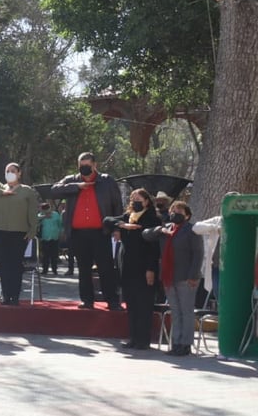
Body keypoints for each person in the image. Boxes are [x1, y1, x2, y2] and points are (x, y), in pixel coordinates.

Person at [49, 152, 123, 310]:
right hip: (78, 233)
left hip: (101, 232)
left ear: (95, 165)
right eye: (81, 166)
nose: (84, 169)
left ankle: (112, 301)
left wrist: (117, 228)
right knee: (83, 268)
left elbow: (117, 205)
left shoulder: (107, 181)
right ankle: (87, 300)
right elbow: (54, 190)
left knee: (106, 267)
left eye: (87, 166)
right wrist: (76, 187)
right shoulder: (72, 180)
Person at [144, 201, 205, 355]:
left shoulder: (191, 230)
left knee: (186, 311)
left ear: (187, 215)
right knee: (175, 311)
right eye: (172, 209)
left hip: (186, 277)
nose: (174, 212)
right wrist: (159, 229)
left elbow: (198, 255)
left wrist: (193, 275)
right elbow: (146, 234)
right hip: (168, 276)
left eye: (179, 210)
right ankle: (176, 343)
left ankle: (186, 345)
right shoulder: (166, 229)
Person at [105, 189, 161, 350]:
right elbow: (107, 220)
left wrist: (151, 269)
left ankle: (143, 340)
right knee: (131, 304)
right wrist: (122, 225)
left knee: (143, 304)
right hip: (127, 266)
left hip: (144, 267)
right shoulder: (128, 216)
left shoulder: (152, 219)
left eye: (139, 199)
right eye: (133, 199)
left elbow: (153, 247)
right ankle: (133, 338)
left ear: (146, 201)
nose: (135, 202)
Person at [0, 163, 39, 306]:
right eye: (7, 171)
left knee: (16, 265)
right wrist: (2, 192)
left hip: (19, 232)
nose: (10, 173)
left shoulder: (27, 191)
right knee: (4, 264)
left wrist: (32, 231)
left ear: (19, 174)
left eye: (13, 171)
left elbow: (33, 213)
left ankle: (15, 296)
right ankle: (6, 296)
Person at [38, 202, 62, 275]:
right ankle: (45, 270)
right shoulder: (41, 215)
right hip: (45, 238)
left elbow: (60, 224)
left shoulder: (56, 214)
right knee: (45, 255)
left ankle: (54, 270)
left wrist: (60, 233)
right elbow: (35, 220)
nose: (47, 211)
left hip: (55, 237)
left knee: (54, 255)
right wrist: (44, 216)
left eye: (47, 209)